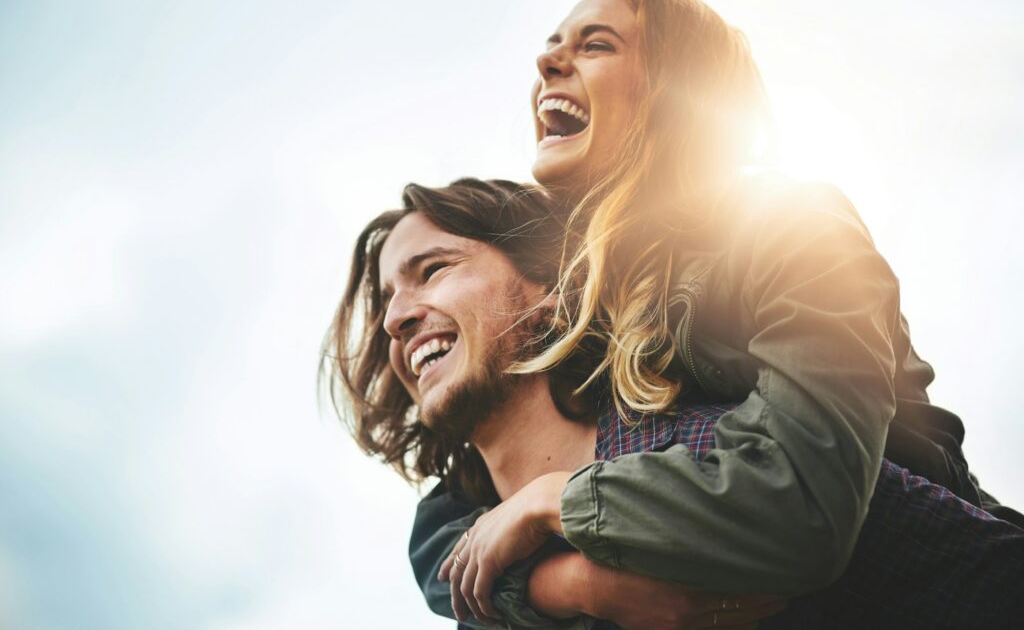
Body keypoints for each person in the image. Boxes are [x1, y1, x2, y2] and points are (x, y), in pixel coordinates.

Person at [393, 0, 1022, 627]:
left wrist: (559, 499)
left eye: (595, 44)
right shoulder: (594, 318)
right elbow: (450, 530)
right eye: (553, 42)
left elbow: (801, 499)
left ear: (677, 94)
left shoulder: (792, 224)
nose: (549, 59)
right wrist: (575, 584)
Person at [323, 177, 1024, 629]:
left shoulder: (721, 459)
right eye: (387, 300)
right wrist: (584, 586)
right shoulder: (483, 577)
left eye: (434, 271)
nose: (395, 319)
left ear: (549, 292)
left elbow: (979, 574)